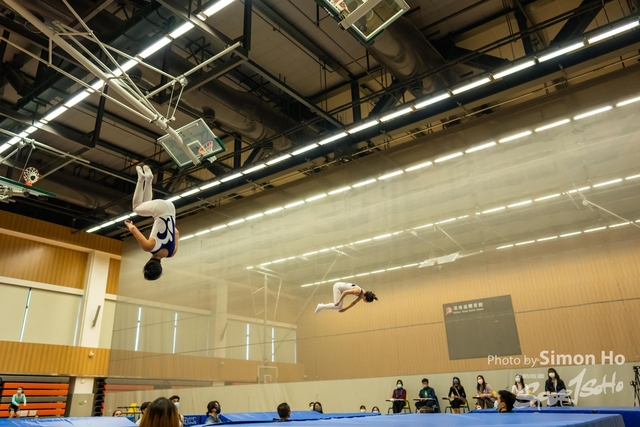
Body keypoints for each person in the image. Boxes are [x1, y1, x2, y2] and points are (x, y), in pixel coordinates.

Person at [125, 165, 179, 281]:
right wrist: (129, 224)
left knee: (146, 205)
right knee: (136, 207)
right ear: (147, 264)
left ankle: (148, 179)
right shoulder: (149, 247)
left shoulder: (172, 253)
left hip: (171, 209)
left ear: (160, 267)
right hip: (160, 209)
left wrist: (164, 224)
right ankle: (141, 178)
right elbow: (133, 229)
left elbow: (176, 232)